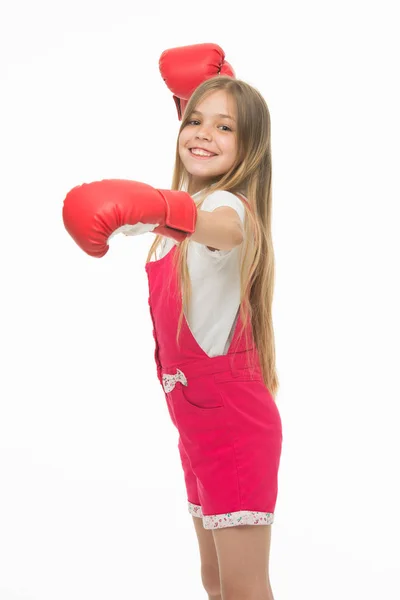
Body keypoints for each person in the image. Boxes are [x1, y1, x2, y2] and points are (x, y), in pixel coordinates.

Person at [62, 48, 282, 600]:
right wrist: (157, 210)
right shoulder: (183, 208)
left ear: (249, 145)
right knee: (214, 580)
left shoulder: (226, 208)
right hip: (196, 424)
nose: (203, 133)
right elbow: (183, 212)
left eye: (224, 127)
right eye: (194, 121)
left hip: (232, 424)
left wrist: (156, 205)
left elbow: (222, 232)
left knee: (244, 586)